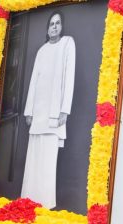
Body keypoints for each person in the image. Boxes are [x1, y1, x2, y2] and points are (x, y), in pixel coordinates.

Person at [21, 11, 76, 209]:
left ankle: (45, 204)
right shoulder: (42, 50)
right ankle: (29, 202)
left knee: (47, 164)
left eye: (57, 23)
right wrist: (29, 111)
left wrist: (64, 111)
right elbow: (34, 82)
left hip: (54, 116)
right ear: (47, 27)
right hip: (37, 115)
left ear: (61, 26)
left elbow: (69, 78)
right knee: (33, 161)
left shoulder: (68, 44)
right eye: (51, 23)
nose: (54, 26)